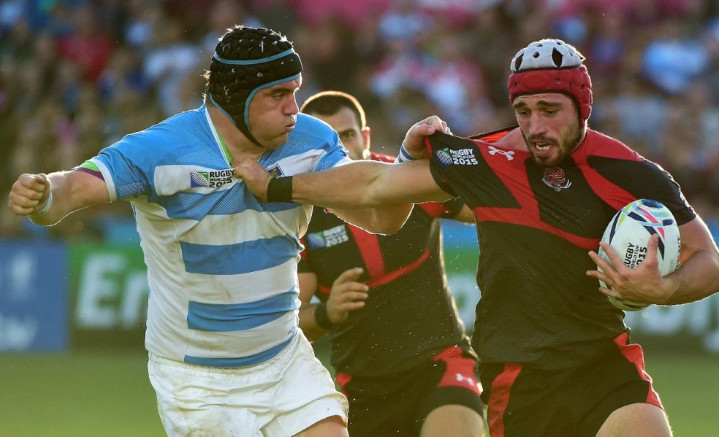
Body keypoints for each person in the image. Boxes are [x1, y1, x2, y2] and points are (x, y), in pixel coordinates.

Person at [236, 39, 719, 437]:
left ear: (582, 106)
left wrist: (662, 290)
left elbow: (709, 262)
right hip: (518, 377)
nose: (535, 126)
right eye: (523, 109)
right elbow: (376, 192)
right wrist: (274, 184)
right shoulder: (484, 160)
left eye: (550, 109)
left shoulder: (630, 172)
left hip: (602, 360)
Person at [7, 25, 448, 437]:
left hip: (284, 361)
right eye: (277, 95)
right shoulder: (162, 148)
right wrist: (45, 193)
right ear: (237, 97)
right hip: (197, 380)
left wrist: (408, 164)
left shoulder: (311, 140)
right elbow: (74, 190)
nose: (294, 108)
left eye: (294, 92)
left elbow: (382, 218)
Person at [297, 90, 485, 437]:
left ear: (364, 137)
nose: (339, 148)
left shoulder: (406, 179)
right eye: (325, 139)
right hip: (364, 391)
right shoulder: (299, 218)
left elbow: (495, 214)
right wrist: (328, 312)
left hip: (440, 363)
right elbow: (290, 321)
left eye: (347, 135)